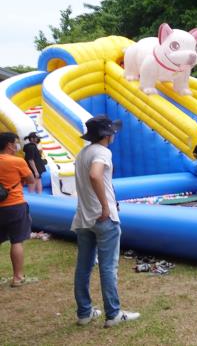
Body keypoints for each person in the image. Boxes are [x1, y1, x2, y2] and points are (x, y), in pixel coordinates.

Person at [71, 116, 140, 327]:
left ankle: (84, 312)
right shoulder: (102, 152)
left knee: (83, 266)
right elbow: (95, 175)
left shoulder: (83, 153)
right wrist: (105, 206)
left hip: (83, 218)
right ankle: (113, 313)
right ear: (107, 135)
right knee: (108, 267)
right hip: (103, 219)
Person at [0, 132, 35, 288]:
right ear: (9, 145)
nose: (17, 146)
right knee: (16, 241)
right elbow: (31, 179)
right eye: (15, 143)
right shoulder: (17, 161)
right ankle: (17, 277)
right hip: (15, 204)